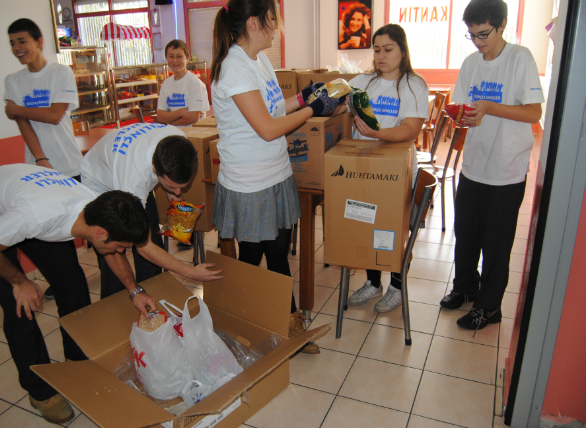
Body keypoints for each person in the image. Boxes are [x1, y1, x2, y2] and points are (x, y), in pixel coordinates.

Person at [0, 164, 156, 424]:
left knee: (73, 287)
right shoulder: (37, 215)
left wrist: (134, 290)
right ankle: (39, 391)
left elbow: (112, 251)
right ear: (100, 234)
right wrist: (20, 281)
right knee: (21, 308)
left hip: (23, 201)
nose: (121, 251)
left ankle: (76, 359)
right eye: (121, 245)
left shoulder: (95, 209)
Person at [211, 0, 344, 354]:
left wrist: (304, 97)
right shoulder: (234, 68)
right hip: (250, 183)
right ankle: (237, 318)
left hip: (275, 173)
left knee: (277, 253)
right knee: (254, 258)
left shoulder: (259, 60)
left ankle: (282, 323)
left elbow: (271, 108)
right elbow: (269, 129)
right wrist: (311, 110)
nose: (277, 26)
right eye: (273, 19)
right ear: (254, 23)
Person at [439, 0, 543, 331]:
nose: (478, 42)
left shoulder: (519, 58)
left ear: (502, 25)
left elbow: (533, 113)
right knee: (466, 234)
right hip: (475, 165)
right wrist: (462, 116)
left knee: (496, 243)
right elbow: (466, 107)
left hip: (506, 169)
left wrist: (490, 107)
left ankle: (489, 306)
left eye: (483, 34)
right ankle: (465, 287)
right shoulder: (471, 63)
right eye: (471, 35)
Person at [336, 24, 429, 313]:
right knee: (367, 226)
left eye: (388, 49)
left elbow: (411, 129)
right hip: (364, 169)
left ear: (402, 51)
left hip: (398, 172)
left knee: (394, 230)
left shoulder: (414, 84)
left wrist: (376, 134)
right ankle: (373, 282)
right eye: (376, 49)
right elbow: (337, 102)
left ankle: (397, 287)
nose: (381, 56)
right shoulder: (363, 81)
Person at [79, 122, 222, 298]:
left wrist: (179, 224)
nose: (177, 193)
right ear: (155, 168)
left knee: (154, 243)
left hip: (129, 170)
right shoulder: (134, 180)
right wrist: (190, 272)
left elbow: (174, 191)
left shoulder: (179, 143)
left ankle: (153, 297)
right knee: (114, 251)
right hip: (99, 182)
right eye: (171, 186)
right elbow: (144, 247)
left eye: (182, 187)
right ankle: (113, 305)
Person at [4, 18, 83, 300]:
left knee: (86, 223)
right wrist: (40, 158)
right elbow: (22, 124)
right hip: (39, 167)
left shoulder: (60, 73)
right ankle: (67, 282)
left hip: (69, 164)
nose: (17, 48)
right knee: (53, 231)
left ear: (39, 42)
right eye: (12, 43)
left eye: (22, 41)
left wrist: (17, 108)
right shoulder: (13, 81)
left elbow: (53, 115)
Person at [155, 39, 210, 127]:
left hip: (193, 136)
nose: (175, 60)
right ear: (167, 58)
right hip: (173, 135)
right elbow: (160, 117)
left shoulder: (195, 83)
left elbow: (192, 118)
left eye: (179, 56)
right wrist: (182, 112)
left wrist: (170, 121)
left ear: (187, 58)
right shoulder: (166, 84)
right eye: (171, 56)